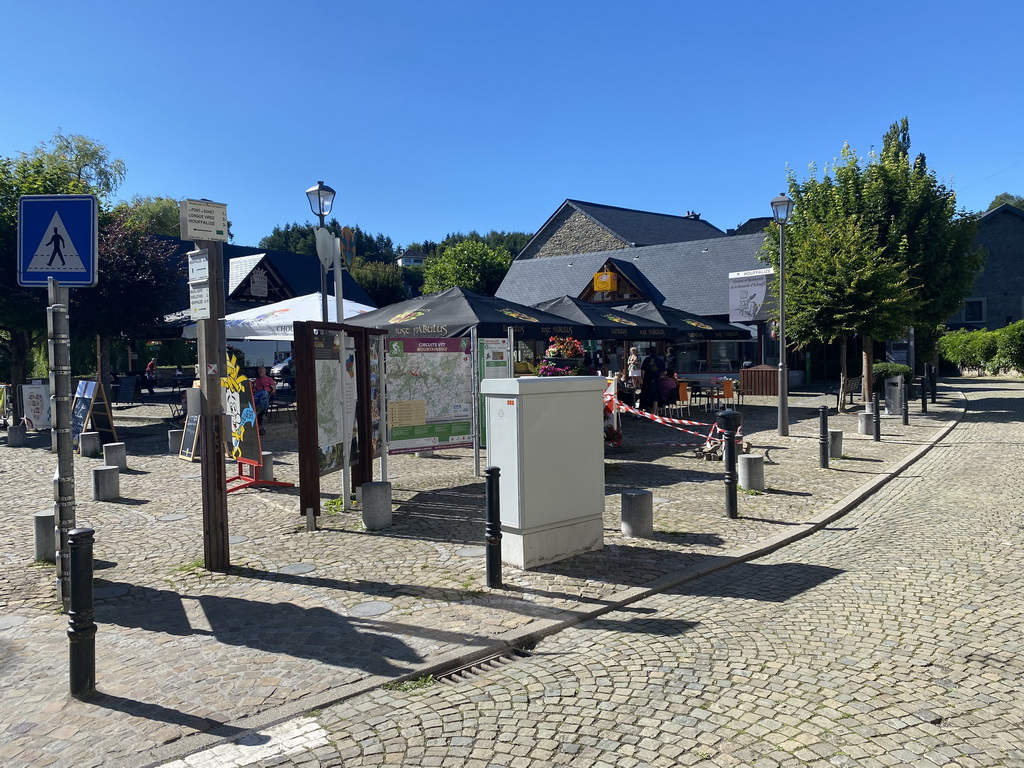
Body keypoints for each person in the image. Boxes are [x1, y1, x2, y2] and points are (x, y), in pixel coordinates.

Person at [251, 365, 276, 435]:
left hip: (267, 394)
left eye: (262, 371)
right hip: (258, 396)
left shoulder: (269, 379)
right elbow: (253, 390)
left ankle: (259, 415)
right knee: (263, 397)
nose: (261, 372)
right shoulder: (256, 381)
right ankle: (263, 413)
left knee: (264, 394)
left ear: (265, 372)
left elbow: (273, 389)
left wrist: (271, 393)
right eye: (260, 371)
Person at [638, 347, 665, 413]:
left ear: (649, 353)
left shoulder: (646, 360)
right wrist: (659, 378)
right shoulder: (660, 360)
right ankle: (654, 413)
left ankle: (641, 413)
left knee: (644, 396)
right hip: (656, 380)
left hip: (647, 380)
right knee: (655, 398)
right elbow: (664, 373)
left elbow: (643, 371)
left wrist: (643, 379)